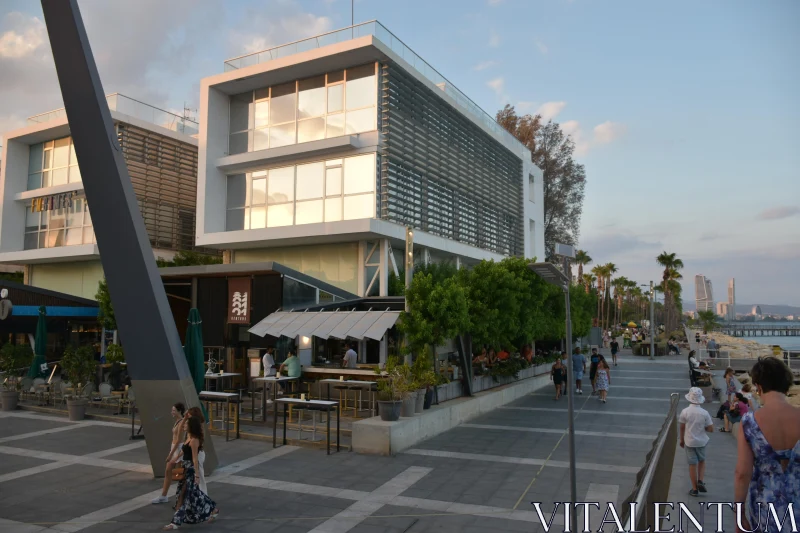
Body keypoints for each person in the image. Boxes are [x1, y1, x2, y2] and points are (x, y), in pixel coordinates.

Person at [734, 357, 800, 532]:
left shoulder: (749, 422)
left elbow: (742, 473)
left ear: (759, 387)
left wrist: (739, 515)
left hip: (765, 509)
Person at [164, 417, 218, 530]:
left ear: (191, 426)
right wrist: (176, 459)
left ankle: (175, 522)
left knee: (186, 495)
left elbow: (194, 459)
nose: (183, 425)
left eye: (186, 424)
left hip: (191, 470)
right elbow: (184, 450)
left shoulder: (194, 440)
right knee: (194, 494)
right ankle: (213, 508)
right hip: (185, 469)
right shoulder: (188, 437)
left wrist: (197, 475)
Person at [679, 387, 714, 497]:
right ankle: (700, 480)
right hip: (701, 442)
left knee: (692, 465)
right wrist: (703, 428)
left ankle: (694, 489)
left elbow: (682, 427)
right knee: (702, 461)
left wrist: (681, 440)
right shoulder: (704, 413)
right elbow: (711, 429)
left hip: (689, 441)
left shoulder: (685, 412)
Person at [152, 403, 186, 505]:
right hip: (174, 447)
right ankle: (164, 496)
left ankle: (181, 498)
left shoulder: (181, 423)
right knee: (168, 471)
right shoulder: (177, 421)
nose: (172, 412)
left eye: (174, 410)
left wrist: (170, 455)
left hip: (178, 449)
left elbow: (179, 440)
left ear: (179, 411)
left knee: (179, 474)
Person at [186, 407, 208, 495]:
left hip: (198, 453)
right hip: (197, 452)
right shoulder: (194, 427)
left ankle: (204, 495)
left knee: (200, 475)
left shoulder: (198, 428)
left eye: (189, 416)